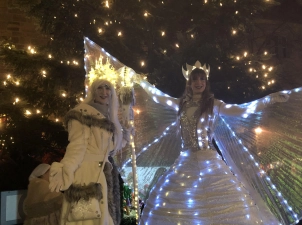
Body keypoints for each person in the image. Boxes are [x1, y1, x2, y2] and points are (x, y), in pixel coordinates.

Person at [138, 67, 288, 224]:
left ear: (206, 82)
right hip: (185, 161)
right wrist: (138, 80)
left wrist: (269, 99)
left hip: (208, 161)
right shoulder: (181, 104)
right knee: (177, 203)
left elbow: (242, 110)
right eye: (195, 79)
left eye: (202, 79)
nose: (199, 82)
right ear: (189, 82)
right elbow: (158, 97)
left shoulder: (214, 105)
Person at [48, 79, 123, 225]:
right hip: (86, 174)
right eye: (100, 88)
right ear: (93, 91)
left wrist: (124, 135)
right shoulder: (82, 113)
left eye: (107, 88)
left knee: (103, 215)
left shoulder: (109, 117)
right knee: (86, 218)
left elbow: (108, 148)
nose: (104, 92)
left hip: (102, 173)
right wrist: (66, 169)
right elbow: (77, 146)